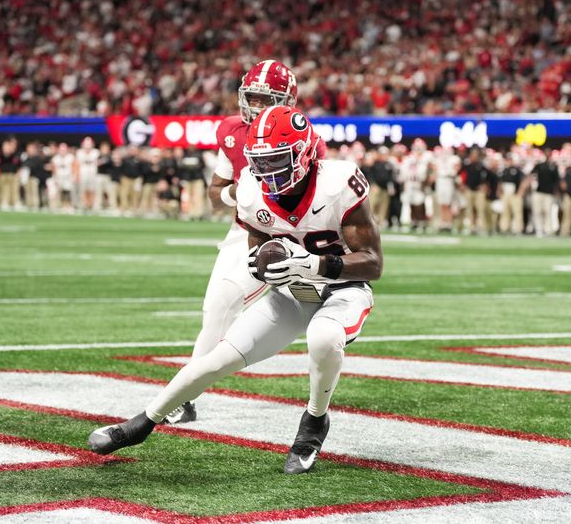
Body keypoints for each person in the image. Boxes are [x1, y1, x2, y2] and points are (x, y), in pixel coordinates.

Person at [88, 106, 382, 475]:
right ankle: (142, 422)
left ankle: (314, 422)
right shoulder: (251, 190)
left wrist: (315, 264)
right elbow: (257, 247)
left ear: (305, 153)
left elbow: (372, 263)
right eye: (260, 163)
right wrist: (262, 264)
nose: (268, 173)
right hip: (292, 292)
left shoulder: (339, 181)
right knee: (217, 358)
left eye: (277, 160)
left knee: (323, 338)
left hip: (344, 289)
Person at [164, 60, 314, 424]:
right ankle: (186, 395)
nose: (258, 107)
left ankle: (183, 396)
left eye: (268, 99)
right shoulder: (232, 130)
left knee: (225, 302)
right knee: (214, 310)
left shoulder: (301, 135)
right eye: (254, 98)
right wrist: (240, 190)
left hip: (282, 235)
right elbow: (215, 195)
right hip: (242, 229)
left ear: (287, 102)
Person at [498, 152, 525, 235]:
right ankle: (504, 228)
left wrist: (521, 191)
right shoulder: (504, 171)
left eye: (510, 160)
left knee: (517, 212)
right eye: (507, 160)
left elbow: (524, 181)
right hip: (505, 193)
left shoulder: (517, 170)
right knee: (505, 212)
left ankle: (518, 229)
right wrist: (499, 191)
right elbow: (500, 182)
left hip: (515, 193)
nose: (509, 161)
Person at [0, 137, 21, 209]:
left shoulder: (17, 153)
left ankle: (15, 203)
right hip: (3, 173)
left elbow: (19, 164)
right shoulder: (1, 153)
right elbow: (0, 162)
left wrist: (18, 173)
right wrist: (6, 151)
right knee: (4, 189)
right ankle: (4, 202)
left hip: (13, 174)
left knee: (14, 189)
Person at [76, 137, 99, 210]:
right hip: (83, 173)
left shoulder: (96, 152)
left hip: (93, 173)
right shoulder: (79, 152)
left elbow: (95, 161)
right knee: (83, 190)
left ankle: (91, 205)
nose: (87, 147)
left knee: (92, 190)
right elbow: (78, 164)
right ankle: (84, 205)